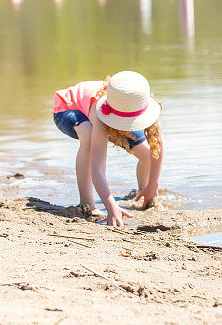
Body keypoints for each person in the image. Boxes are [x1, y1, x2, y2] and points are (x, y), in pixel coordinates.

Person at [52, 71, 164, 226]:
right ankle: (87, 205)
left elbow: (157, 148)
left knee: (146, 154)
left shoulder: (142, 104)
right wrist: (111, 207)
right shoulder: (100, 115)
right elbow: (97, 168)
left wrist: (153, 185)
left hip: (121, 109)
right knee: (88, 134)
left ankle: (143, 193)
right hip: (69, 108)